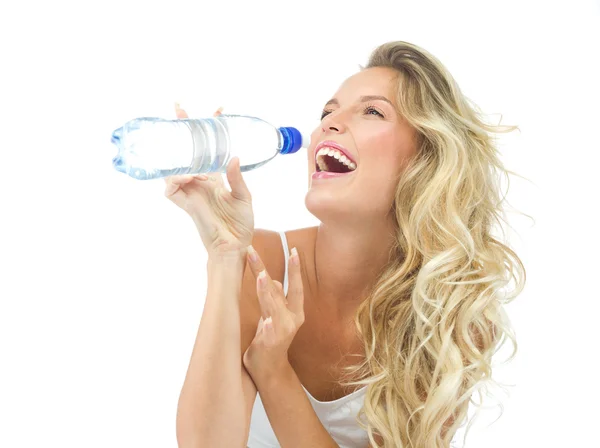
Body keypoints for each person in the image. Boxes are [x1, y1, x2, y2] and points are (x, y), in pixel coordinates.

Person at [168, 41, 526, 448]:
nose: (329, 124)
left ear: (426, 157)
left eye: (372, 111)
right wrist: (224, 257)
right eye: (327, 111)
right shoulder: (259, 264)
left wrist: (274, 373)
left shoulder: (453, 309)